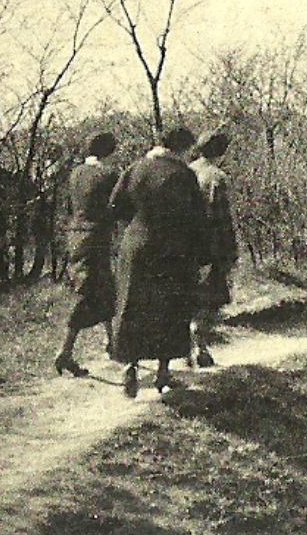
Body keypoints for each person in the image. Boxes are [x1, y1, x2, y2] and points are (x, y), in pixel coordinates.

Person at [110, 126, 205, 398]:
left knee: (133, 305)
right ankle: (163, 374)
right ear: (181, 148)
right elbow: (197, 216)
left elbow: (115, 205)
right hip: (171, 249)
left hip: (136, 245)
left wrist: (137, 224)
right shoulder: (183, 174)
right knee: (169, 309)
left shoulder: (135, 168)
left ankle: (130, 367)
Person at [54, 131, 121, 377]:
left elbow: (70, 208)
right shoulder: (110, 174)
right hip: (97, 239)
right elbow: (118, 207)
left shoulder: (75, 174)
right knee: (89, 294)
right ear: (108, 150)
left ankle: (112, 344)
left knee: (104, 289)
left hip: (76, 237)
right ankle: (65, 352)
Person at [188, 130, 237, 369]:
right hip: (210, 244)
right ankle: (200, 345)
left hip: (183, 244)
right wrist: (230, 249)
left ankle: (188, 348)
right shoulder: (217, 177)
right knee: (210, 298)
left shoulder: (186, 171)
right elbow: (222, 216)